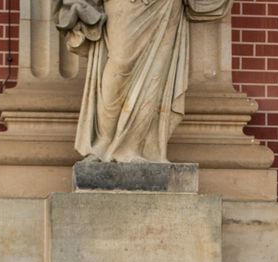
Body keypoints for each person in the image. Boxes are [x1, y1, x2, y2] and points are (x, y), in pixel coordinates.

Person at [54, 0, 235, 163]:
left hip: (165, 5)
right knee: (119, 64)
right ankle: (103, 141)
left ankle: (133, 146)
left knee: (156, 71)